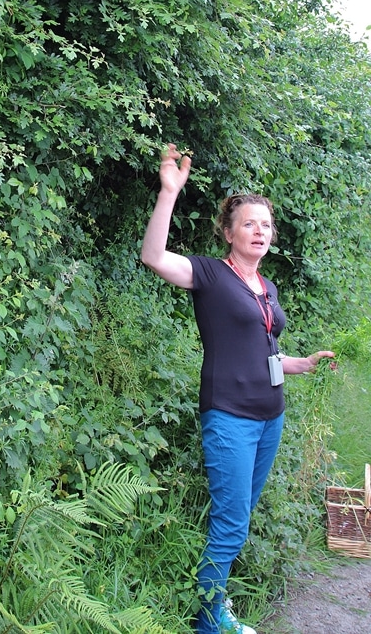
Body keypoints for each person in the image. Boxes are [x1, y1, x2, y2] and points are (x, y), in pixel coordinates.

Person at [141, 144, 335, 634]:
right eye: (249, 224)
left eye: (266, 226)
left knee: (239, 517)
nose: (259, 232)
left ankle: (214, 603)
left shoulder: (265, 288)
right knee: (231, 522)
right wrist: (169, 195)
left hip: (271, 417)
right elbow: (153, 256)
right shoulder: (209, 273)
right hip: (229, 416)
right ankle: (209, 620)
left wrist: (302, 364)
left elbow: (264, 353)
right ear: (229, 233)